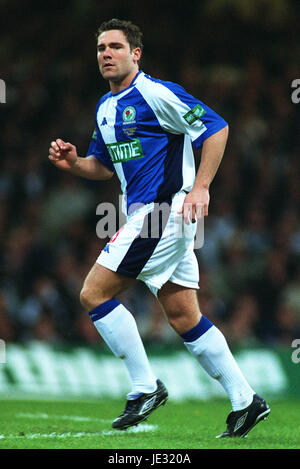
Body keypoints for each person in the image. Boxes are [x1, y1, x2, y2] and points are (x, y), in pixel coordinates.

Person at [48, 18, 270, 437]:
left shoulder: (155, 93)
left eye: (115, 46)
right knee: (185, 316)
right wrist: (75, 163)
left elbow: (216, 127)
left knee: (93, 292)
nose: (106, 54)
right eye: (100, 48)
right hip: (151, 216)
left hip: (162, 212)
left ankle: (144, 388)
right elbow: (103, 166)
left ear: (136, 54)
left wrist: (201, 186)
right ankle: (246, 402)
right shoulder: (106, 107)